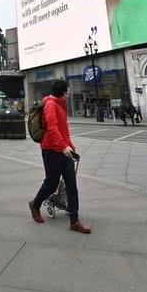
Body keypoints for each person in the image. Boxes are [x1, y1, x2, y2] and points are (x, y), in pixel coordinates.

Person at [28, 78, 92, 233]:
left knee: (72, 185)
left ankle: (74, 221)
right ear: (64, 93)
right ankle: (35, 205)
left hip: (64, 151)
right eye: (68, 90)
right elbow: (52, 128)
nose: (69, 92)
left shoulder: (60, 104)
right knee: (51, 183)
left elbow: (63, 129)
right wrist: (64, 146)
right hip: (51, 150)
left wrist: (70, 146)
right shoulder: (50, 105)